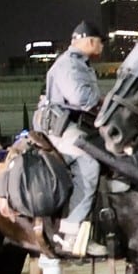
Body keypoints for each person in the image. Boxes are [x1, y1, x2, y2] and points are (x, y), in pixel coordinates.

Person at [42, 20, 108, 257]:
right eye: (101, 42)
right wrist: (108, 103)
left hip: (75, 125)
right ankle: (71, 234)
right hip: (62, 127)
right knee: (90, 164)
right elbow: (81, 97)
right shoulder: (70, 64)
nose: (102, 47)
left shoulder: (82, 63)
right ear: (90, 41)